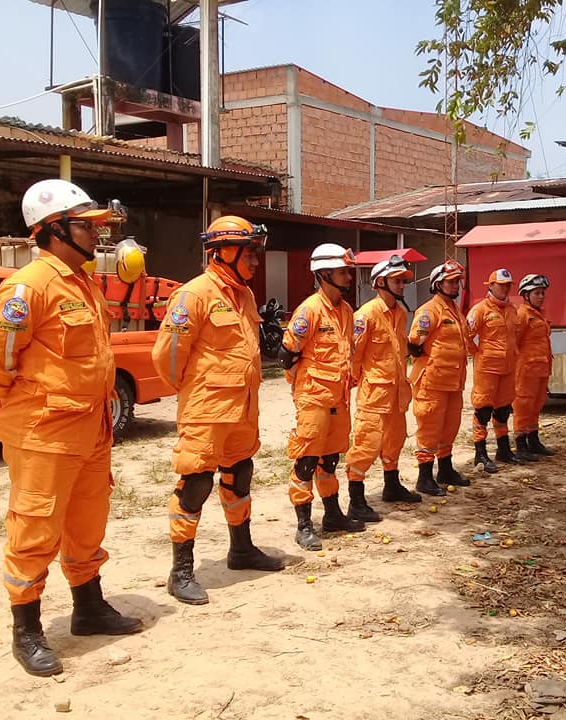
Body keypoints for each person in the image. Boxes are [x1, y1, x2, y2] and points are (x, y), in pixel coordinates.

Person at [0, 179, 142, 677]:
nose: (97, 235)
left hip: (90, 430)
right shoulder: (30, 285)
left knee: (86, 524)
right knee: (35, 528)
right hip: (45, 432)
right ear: (53, 229)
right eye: (86, 226)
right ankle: (26, 630)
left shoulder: (83, 284)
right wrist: (32, 402)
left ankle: (88, 608)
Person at [152, 216, 284, 606]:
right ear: (224, 251)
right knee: (196, 483)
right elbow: (167, 356)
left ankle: (241, 550)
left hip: (242, 408)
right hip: (207, 409)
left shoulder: (242, 295)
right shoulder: (194, 295)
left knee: (240, 472)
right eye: (251, 253)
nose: (257, 261)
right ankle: (180, 572)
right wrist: (194, 391)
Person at [279, 243, 365, 550]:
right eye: (343, 272)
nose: (349, 277)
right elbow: (288, 356)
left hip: (338, 398)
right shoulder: (309, 310)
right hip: (313, 398)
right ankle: (304, 524)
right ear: (324, 273)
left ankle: (332, 514)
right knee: (306, 461)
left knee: (329, 460)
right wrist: (303, 388)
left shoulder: (345, 311)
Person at [343, 255, 422, 520]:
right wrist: (360, 381)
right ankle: (356, 499)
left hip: (397, 393)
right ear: (380, 282)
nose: (402, 285)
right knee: (367, 444)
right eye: (397, 280)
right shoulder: (365, 315)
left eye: (403, 280)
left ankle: (392, 485)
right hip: (374, 395)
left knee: (394, 441)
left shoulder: (400, 313)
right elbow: (353, 356)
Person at [407, 259, 471, 496]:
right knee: (430, 429)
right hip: (432, 382)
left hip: (453, 382)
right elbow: (414, 343)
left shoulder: (454, 311)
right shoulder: (429, 311)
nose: (456, 286)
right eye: (451, 282)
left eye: (457, 282)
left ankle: (445, 469)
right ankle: (424, 478)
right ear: (437, 284)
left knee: (450, 427)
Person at [467, 268, 524, 471]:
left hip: (507, 368)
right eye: (501, 285)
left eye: (508, 285)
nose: (505, 289)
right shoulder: (480, 310)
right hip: (487, 369)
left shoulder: (512, 310)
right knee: (483, 411)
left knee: (502, 410)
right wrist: (479, 352)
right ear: (490, 286)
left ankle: (503, 450)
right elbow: (466, 334)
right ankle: (480, 454)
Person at [512, 274, 556, 459]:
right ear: (526, 295)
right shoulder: (522, 315)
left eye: (543, 293)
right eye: (537, 293)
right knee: (523, 405)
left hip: (541, 369)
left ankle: (533, 439)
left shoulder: (539, 315)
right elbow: (514, 342)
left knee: (536, 405)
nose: (541, 296)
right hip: (526, 371)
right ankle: (521, 444)